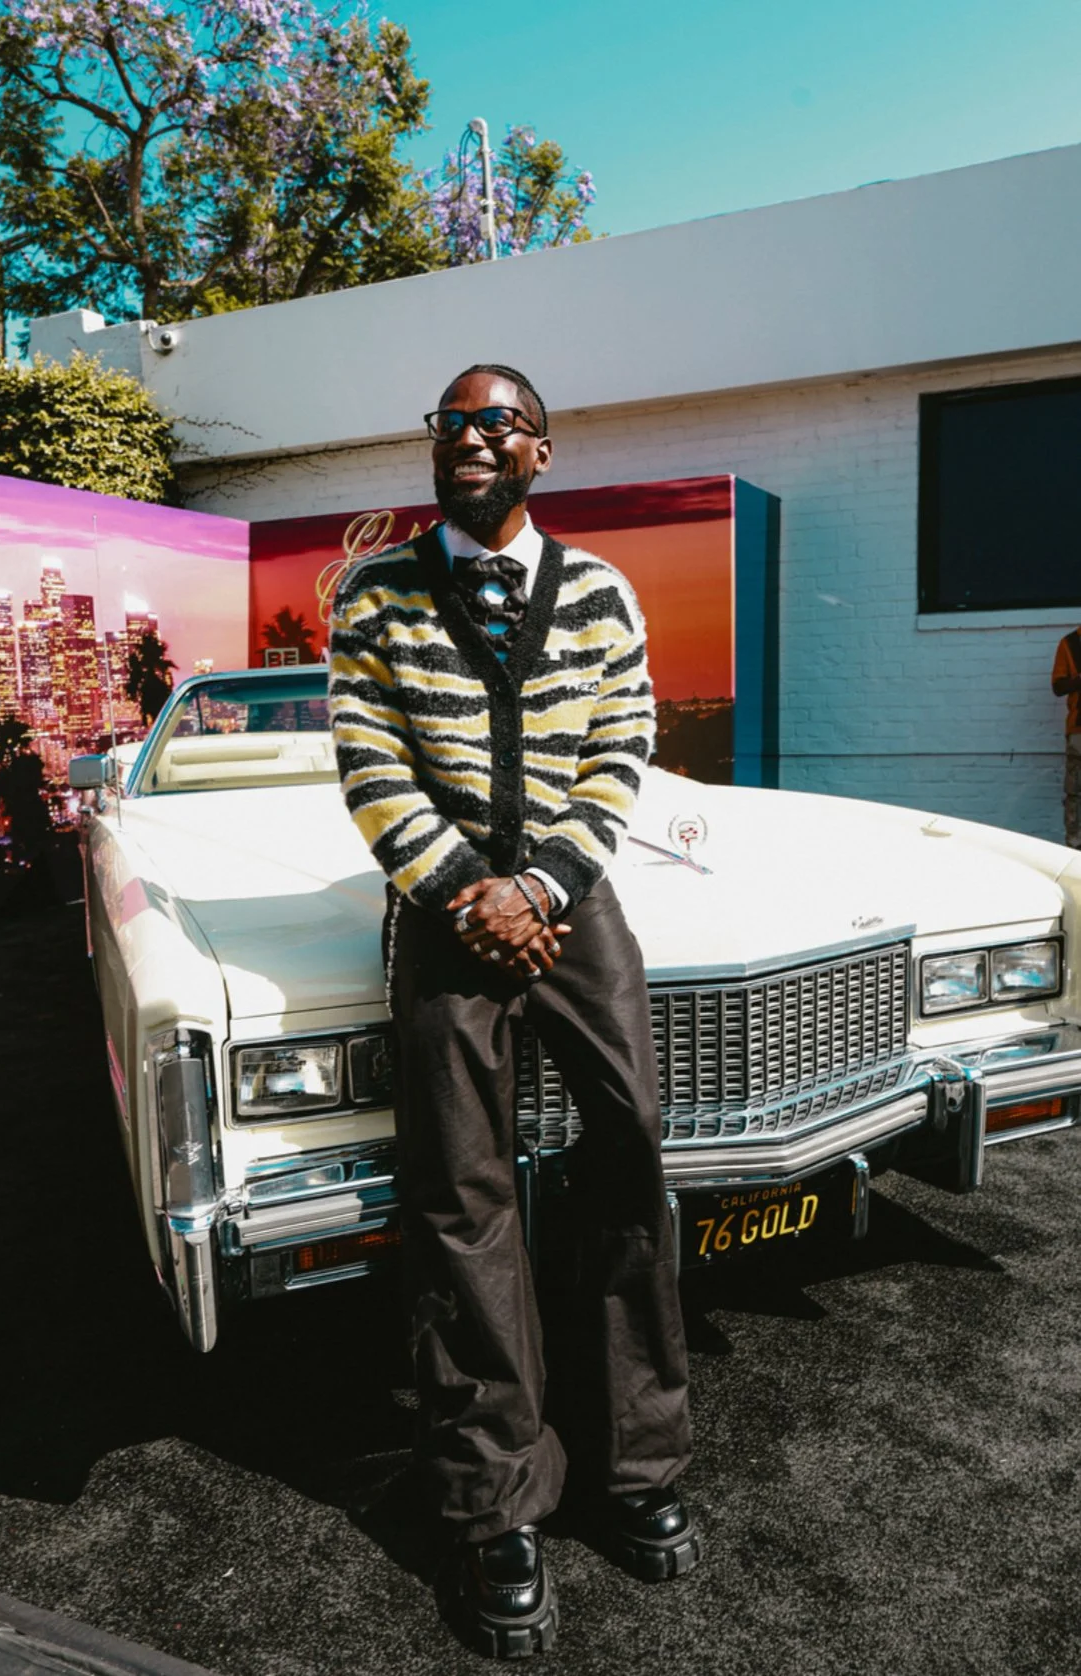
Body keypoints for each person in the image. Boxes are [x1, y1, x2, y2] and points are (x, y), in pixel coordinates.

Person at [329, 364, 697, 1658]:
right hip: (439, 906)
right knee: (459, 1188)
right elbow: (366, 758)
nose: (468, 439)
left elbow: (624, 746)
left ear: (540, 451)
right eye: (449, 423)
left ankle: (635, 1462)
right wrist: (462, 892)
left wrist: (540, 882)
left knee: (631, 1139)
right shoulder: (374, 593)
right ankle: (498, 1498)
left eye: (494, 423)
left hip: (570, 893)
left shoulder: (600, 594)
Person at [1051, 626, 1081, 847]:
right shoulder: (1070, 643)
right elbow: (1058, 686)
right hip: (1079, 732)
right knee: (1075, 794)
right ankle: (1075, 847)